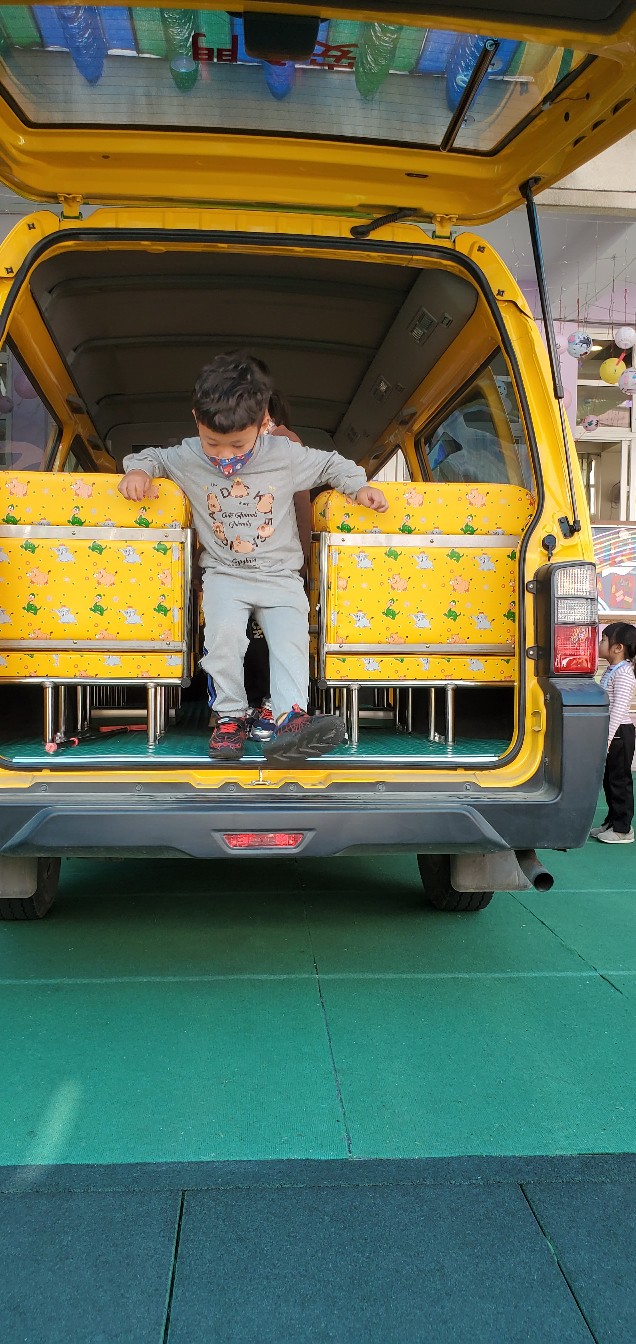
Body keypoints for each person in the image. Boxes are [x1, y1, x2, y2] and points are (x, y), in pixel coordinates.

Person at [119, 352, 388, 763]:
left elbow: (332, 464)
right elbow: (152, 457)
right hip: (225, 574)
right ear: (196, 419)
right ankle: (230, 717)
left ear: (263, 421)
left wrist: (358, 487)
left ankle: (291, 718)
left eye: (238, 445)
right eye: (213, 443)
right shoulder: (189, 456)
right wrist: (138, 472)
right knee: (222, 641)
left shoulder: (284, 454)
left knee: (290, 643)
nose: (225, 456)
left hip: (280, 576)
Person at [591, 621, 636, 844]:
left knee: (619, 781)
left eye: (603, 640)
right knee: (609, 780)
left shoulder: (625, 673)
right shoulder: (612, 669)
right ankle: (611, 822)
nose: (599, 644)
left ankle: (623, 829)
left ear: (618, 648)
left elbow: (618, 708)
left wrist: (608, 737)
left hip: (619, 733)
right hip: (611, 733)